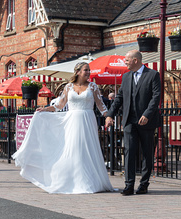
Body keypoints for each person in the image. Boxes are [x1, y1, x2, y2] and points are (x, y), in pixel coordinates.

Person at [12, 62, 114, 194]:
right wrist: (45, 109)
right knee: (72, 149)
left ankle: (90, 181)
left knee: (86, 149)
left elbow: (101, 105)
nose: (88, 72)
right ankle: (72, 180)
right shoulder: (68, 87)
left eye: (89, 70)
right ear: (77, 72)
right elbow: (59, 105)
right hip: (72, 121)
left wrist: (108, 116)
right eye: (85, 70)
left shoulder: (93, 86)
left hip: (87, 120)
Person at [105, 49, 161, 196]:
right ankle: (129, 185)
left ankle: (144, 184)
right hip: (129, 120)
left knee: (147, 153)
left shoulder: (153, 75)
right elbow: (119, 98)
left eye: (127, 60)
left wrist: (147, 114)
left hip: (146, 121)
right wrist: (110, 114)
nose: (125, 62)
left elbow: (156, 97)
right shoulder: (126, 77)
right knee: (129, 152)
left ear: (135, 60)